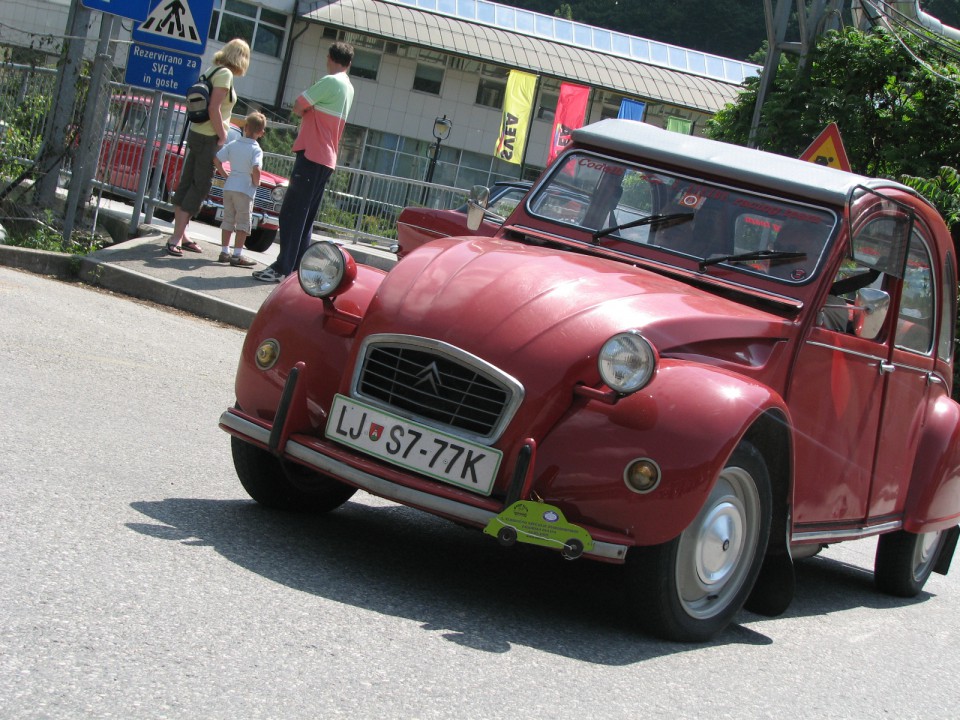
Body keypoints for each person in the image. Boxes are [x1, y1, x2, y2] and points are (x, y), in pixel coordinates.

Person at [253, 41, 355, 283]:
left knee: (291, 213)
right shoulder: (349, 86)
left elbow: (299, 105)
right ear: (349, 63)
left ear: (329, 57)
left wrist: (309, 111)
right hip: (327, 158)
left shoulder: (331, 81)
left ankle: (282, 267)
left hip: (312, 154)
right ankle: (297, 269)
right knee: (306, 216)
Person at [165, 38, 251, 258]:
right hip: (209, 137)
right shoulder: (225, 75)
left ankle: (182, 235)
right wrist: (222, 136)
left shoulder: (212, 70)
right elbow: (214, 108)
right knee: (201, 186)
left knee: (187, 183)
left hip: (196, 133)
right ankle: (175, 238)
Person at [213, 111, 267, 267]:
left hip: (230, 186)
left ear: (246, 127)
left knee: (228, 219)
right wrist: (256, 182)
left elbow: (216, 159)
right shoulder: (256, 149)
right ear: (261, 132)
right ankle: (237, 255)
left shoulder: (233, 144)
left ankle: (224, 251)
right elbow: (256, 168)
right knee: (243, 223)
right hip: (244, 189)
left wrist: (225, 174)